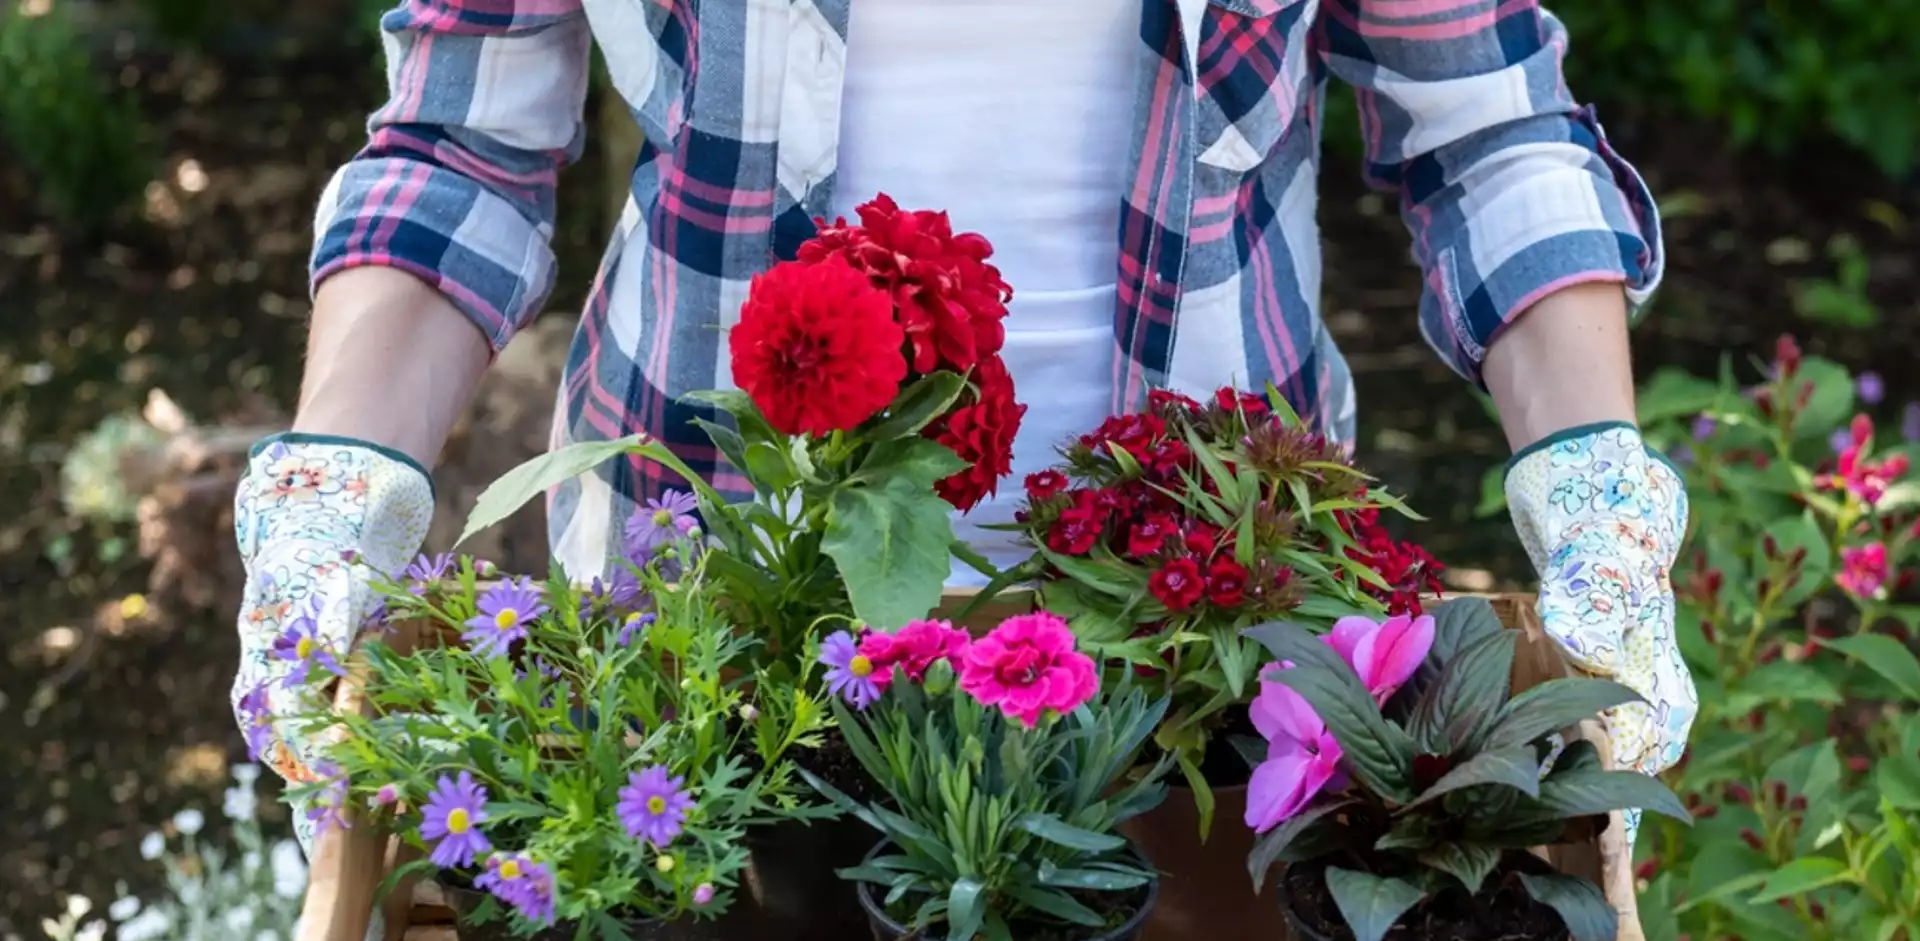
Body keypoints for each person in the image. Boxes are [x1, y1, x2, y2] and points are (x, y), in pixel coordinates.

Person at [233, 0, 1694, 847]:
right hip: (708, 620)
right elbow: (465, 146)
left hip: (1209, 646)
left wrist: (1598, 495)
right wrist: (336, 493)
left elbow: (1487, 124)